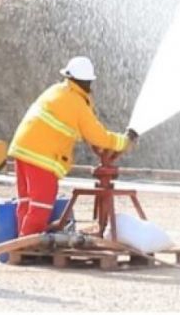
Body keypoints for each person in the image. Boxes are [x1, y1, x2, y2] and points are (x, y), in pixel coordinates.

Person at [8, 56, 139, 236]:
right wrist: (124, 141)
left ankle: (22, 243)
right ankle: (28, 244)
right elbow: (98, 136)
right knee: (42, 202)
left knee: (27, 201)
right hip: (41, 156)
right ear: (88, 82)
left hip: (22, 149)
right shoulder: (76, 102)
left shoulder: (57, 91)